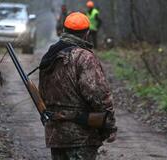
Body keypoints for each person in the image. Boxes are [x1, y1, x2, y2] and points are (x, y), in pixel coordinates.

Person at [39, 12, 117, 160]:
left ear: (63, 31)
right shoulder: (84, 57)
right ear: (87, 33)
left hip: (56, 134)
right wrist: (109, 124)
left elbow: (42, 92)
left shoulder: (50, 55)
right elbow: (98, 95)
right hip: (82, 136)